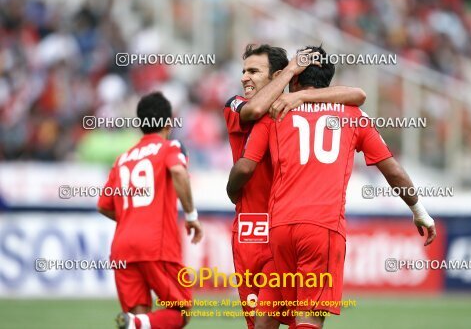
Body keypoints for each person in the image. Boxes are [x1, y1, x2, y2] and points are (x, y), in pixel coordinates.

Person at [227, 45, 436, 329]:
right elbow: (393, 171)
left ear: (295, 79)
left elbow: (245, 165)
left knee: (266, 318)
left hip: (279, 229)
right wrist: (419, 211)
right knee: (308, 318)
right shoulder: (353, 115)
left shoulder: (275, 113)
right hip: (322, 228)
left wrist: (233, 193)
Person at [224, 44, 366, 329]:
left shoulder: (290, 110)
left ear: (276, 76)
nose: (244, 78)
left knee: (296, 318)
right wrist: (291, 72)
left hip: (285, 226)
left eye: (253, 71)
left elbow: (357, 95)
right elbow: (255, 109)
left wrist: (298, 93)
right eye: (243, 71)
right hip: (255, 228)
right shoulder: (236, 104)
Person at [98, 92, 203, 329]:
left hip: (123, 247)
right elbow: (178, 172)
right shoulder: (170, 147)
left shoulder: (122, 159)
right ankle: (135, 324)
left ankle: (134, 323)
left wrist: (130, 218)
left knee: (140, 315)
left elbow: (104, 205)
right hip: (156, 244)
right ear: (168, 123)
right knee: (180, 310)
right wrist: (191, 216)